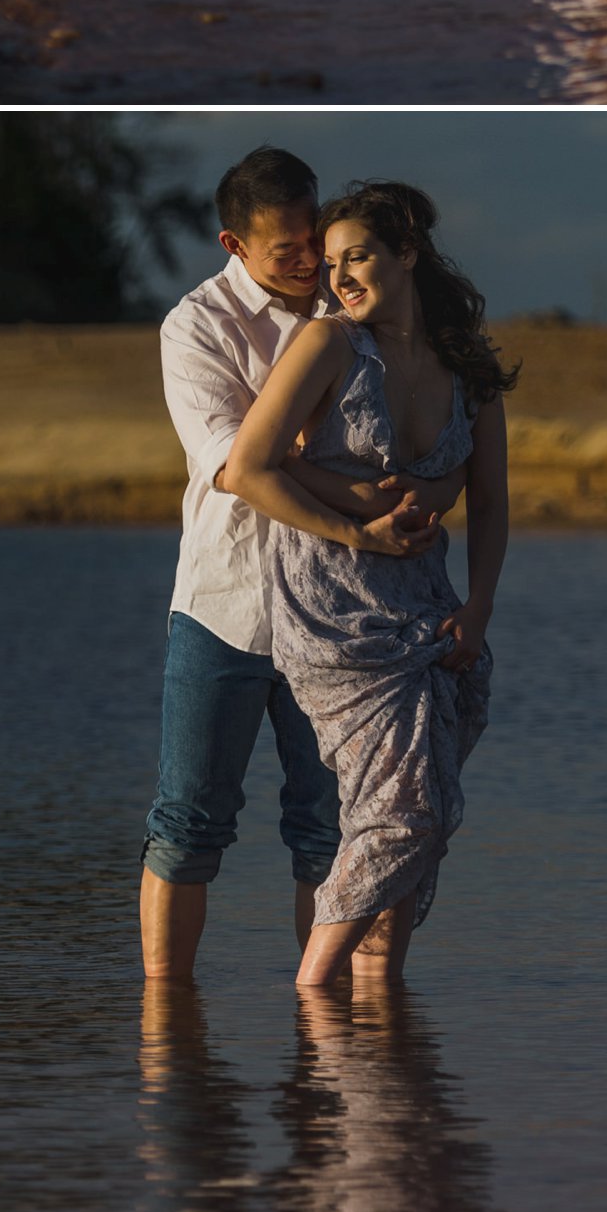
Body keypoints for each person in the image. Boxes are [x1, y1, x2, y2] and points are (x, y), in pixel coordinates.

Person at [142, 148, 465, 982]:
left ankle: (333, 1044)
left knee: (330, 830)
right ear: (232, 244)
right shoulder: (197, 326)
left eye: (313, 236)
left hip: (338, 617)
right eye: (285, 247)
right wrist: (365, 520)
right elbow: (237, 468)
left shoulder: (350, 306)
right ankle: (167, 1028)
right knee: (188, 824)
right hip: (228, 605)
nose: (308, 258)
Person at [223, 182, 516, 989]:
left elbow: (489, 500)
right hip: (333, 609)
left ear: (408, 253)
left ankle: (381, 1010)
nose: (340, 276)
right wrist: (358, 530)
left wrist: (479, 609)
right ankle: (315, 992)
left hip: (431, 609)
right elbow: (247, 470)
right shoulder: (327, 345)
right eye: (332, 263)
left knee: (423, 819)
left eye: (359, 257)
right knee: (401, 812)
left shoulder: (468, 365)